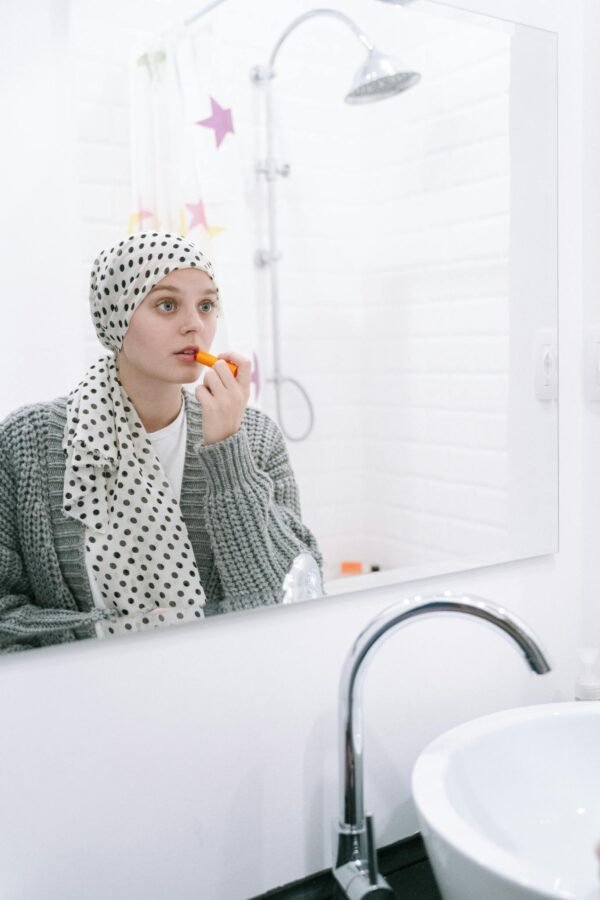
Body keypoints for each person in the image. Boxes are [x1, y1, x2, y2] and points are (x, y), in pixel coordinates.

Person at [0, 231, 322, 653]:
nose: (195, 324)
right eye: (167, 305)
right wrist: (105, 639)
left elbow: (287, 599)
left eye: (206, 305)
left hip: (220, 690)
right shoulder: (28, 442)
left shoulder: (253, 435)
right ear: (118, 316)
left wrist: (228, 451)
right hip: (78, 698)